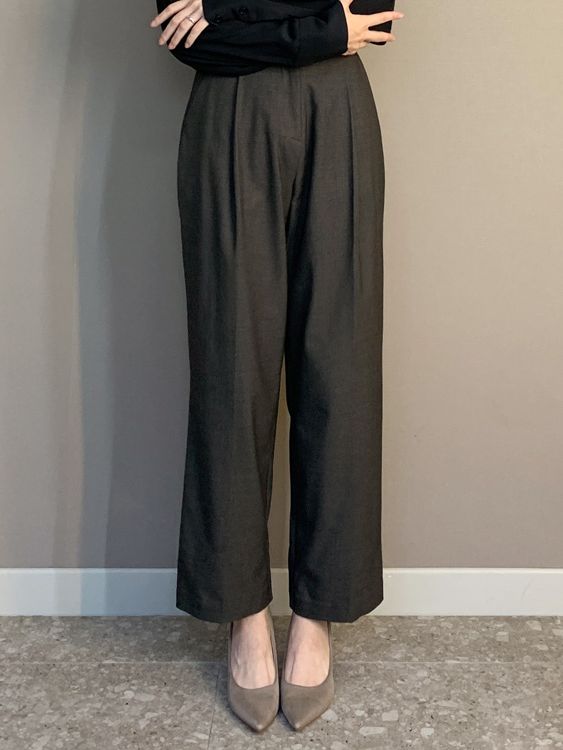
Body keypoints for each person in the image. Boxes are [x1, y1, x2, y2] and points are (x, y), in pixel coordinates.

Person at [150, 0, 403, 732]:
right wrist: (319, 26)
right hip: (227, 115)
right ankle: (245, 617)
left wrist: (229, 7)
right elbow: (185, 38)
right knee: (232, 370)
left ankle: (318, 616)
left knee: (341, 372)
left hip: (338, 111)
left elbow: (375, 14)